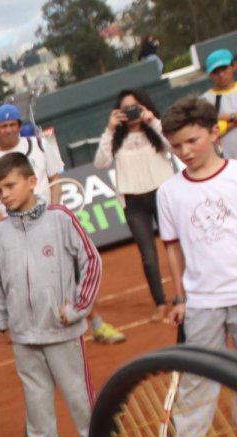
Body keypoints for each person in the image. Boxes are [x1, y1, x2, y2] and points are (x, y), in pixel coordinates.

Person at [0, 152, 102, 437]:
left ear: (32, 181)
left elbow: (91, 261)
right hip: (24, 336)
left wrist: (79, 307)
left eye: (9, 186)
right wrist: (3, 320)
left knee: (81, 399)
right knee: (36, 403)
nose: (4, 195)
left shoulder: (60, 218)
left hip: (63, 331)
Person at [0, 103, 125, 345]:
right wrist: (10, 229)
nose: (8, 130)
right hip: (17, 230)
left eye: (13, 125)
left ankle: (96, 324)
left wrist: (54, 210)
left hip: (48, 224)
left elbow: (56, 180)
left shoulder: (40, 146)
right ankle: (32, 332)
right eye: (3, 126)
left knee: (71, 272)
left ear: (19, 126)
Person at [156, 96, 237, 437]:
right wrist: (179, 296)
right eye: (176, 146)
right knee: (197, 376)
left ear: (213, 131)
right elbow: (172, 247)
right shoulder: (169, 193)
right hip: (202, 301)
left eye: (192, 141)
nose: (185, 152)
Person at [94, 88, 176, 324]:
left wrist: (153, 120)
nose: (131, 112)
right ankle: (160, 303)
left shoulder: (155, 129)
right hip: (133, 202)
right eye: (126, 109)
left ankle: (186, 296)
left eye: (135, 106)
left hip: (163, 195)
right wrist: (110, 128)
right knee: (148, 257)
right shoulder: (116, 139)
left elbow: (173, 146)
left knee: (176, 247)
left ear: (144, 106)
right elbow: (101, 163)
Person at [201, 49, 237, 159]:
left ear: (233, 66)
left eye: (224, 69)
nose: (221, 75)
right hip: (227, 161)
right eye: (216, 71)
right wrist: (233, 117)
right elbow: (208, 132)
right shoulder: (204, 100)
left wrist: (221, 118)